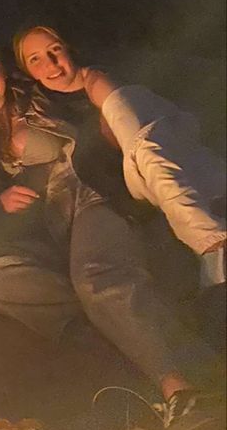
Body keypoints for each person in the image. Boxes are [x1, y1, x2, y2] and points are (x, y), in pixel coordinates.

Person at [0, 40, 219, 422]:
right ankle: (122, 328)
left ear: (4, 69)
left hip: (92, 194)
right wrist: (0, 199)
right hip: (53, 225)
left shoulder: (44, 94)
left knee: (97, 277)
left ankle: (185, 388)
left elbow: (104, 100)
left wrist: (108, 119)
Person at [13, 25, 226, 290]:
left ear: (69, 49)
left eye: (55, 50)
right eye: (36, 59)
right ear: (28, 71)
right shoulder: (40, 109)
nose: (51, 64)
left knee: (142, 144)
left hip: (161, 158)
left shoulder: (102, 82)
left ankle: (212, 245)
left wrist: (111, 108)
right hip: (136, 187)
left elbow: (147, 142)